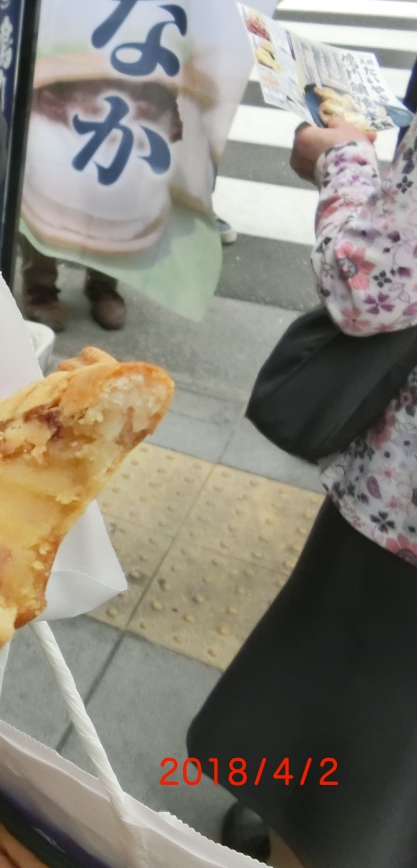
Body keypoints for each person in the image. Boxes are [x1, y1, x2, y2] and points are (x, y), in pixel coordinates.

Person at [188, 116, 417, 868]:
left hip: (398, 525)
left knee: (336, 729)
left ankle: (303, 842)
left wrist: (342, 160)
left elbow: (368, 283)